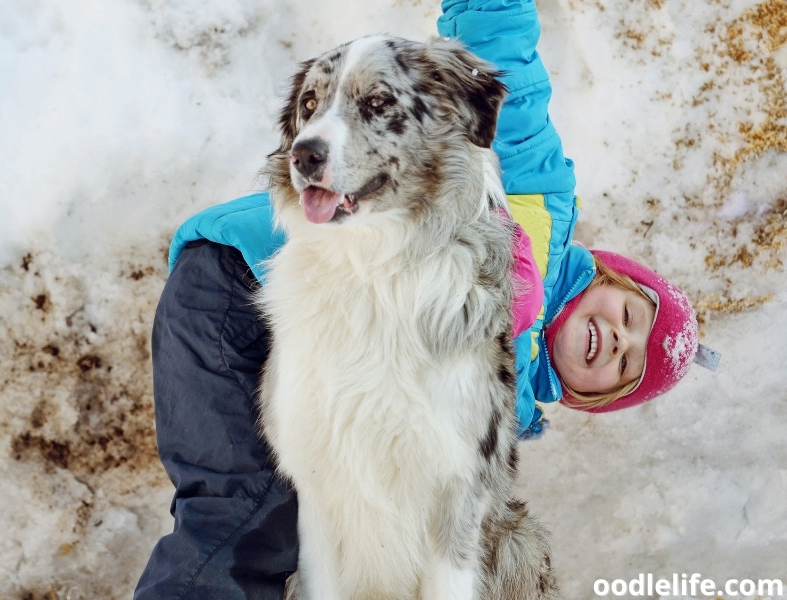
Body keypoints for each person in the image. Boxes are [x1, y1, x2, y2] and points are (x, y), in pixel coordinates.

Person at [134, 0, 716, 598]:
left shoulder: (505, 409)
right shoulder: (541, 202)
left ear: (589, 399)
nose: (620, 339)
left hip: (319, 361)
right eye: (631, 315)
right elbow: (501, 58)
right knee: (242, 517)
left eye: (627, 365)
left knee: (284, 530)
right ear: (606, 277)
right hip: (246, 283)